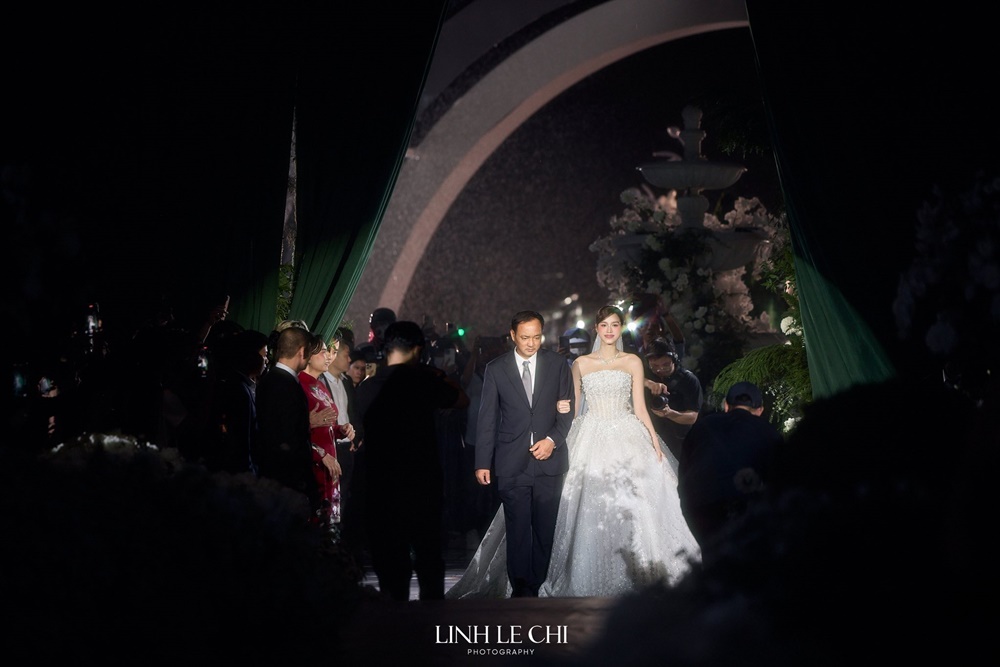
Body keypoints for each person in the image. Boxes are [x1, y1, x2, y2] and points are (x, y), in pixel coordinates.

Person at [448, 305, 699, 599]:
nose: (609, 330)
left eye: (614, 325)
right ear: (596, 329)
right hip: (586, 435)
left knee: (631, 505)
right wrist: (561, 429)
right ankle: (530, 584)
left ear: (620, 328)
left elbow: (640, 408)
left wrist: (653, 441)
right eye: (604, 325)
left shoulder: (631, 361)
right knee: (563, 513)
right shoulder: (578, 364)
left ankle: (636, 567)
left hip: (626, 434)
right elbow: (569, 406)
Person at [459, 310, 574, 598]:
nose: (531, 343)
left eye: (536, 337)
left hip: (550, 460)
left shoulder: (557, 364)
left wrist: (552, 441)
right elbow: (487, 418)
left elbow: (566, 412)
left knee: (545, 528)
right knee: (518, 527)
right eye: (525, 337)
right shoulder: (496, 369)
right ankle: (522, 588)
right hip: (511, 460)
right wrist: (482, 463)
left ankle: (538, 583)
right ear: (512, 336)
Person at [353, 320, 468, 601]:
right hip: (421, 482)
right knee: (429, 560)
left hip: (380, 484)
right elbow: (461, 399)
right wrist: (436, 374)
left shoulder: (367, 388)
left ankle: (396, 621)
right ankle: (431, 622)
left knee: (390, 566)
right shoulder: (424, 381)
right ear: (418, 349)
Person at [677, 381, 783, 557]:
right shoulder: (770, 433)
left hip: (700, 505)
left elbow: (685, 468)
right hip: (745, 506)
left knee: (713, 556)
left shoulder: (703, 425)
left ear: (726, 406)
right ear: (759, 410)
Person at [254, 327, 338, 518]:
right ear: (302, 352)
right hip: (286, 481)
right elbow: (289, 437)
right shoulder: (285, 384)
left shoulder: (272, 379)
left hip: (276, 477)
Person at [299, 334, 349, 531]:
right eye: (323, 351)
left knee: (330, 521)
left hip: (330, 461)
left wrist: (340, 430)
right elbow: (296, 428)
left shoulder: (318, 384)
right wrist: (319, 452)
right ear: (308, 355)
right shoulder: (299, 385)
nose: (329, 356)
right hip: (315, 460)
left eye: (331, 352)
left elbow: (325, 425)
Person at [644, 337, 703, 459]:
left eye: (666, 365)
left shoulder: (689, 380)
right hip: (648, 437)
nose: (660, 369)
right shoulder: (646, 375)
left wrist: (669, 413)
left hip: (678, 441)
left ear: (674, 360)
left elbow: (692, 416)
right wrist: (649, 383)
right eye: (654, 365)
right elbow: (629, 377)